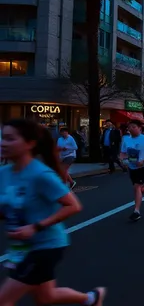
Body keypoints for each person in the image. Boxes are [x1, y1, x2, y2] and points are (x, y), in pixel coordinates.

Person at [0, 119, 106, 305]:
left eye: (10, 139)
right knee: (46, 297)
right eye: (2, 138)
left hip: (45, 246)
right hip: (22, 247)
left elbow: (73, 205)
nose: (3, 143)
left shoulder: (40, 175)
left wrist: (36, 226)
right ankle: (91, 298)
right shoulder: (4, 173)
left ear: (29, 143)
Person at [119, 120, 144, 222]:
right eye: (130, 127)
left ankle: (136, 211)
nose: (131, 128)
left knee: (137, 187)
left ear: (140, 129)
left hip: (143, 167)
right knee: (139, 188)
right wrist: (122, 160)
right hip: (132, 167)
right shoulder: (126, 139)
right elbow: (123, 152)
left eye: (134, 126)